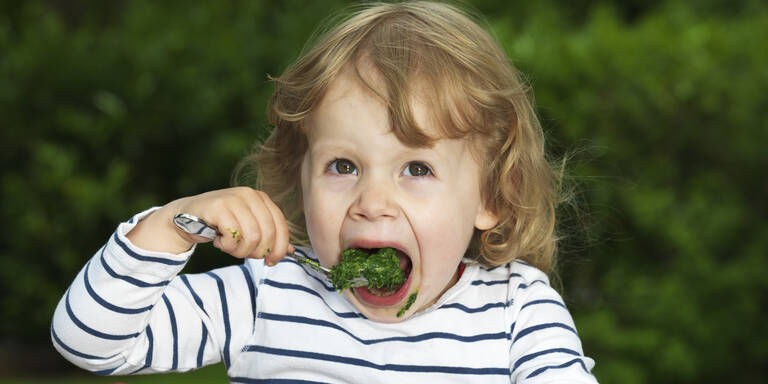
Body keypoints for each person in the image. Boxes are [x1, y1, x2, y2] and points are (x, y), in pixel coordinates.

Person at [51, 1, 598, 382]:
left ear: (491, 198)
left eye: (416, 169)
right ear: (301, 176)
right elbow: (90, 343)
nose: (372, 202)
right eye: (343, 165)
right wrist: (171, 224)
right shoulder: (265, 298)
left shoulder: (516, 311)